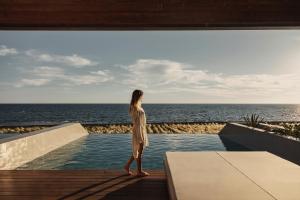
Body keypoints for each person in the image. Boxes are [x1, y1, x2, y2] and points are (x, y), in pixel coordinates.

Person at [124, 89, 150, 177]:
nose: (143, 97)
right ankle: (139, 171)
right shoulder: (134, 107)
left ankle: (127, 166)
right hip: (138, 131)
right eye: (141, 96)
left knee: (137, 150)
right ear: (138, 96)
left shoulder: (137, 106)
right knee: (139, 151)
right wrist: (140, 135)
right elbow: (137, 122)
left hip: (140, 129)